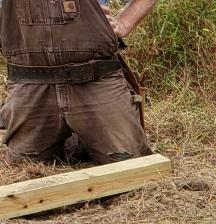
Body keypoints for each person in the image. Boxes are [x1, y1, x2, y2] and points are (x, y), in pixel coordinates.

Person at [1, 0, 156, 163]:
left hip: (96, 81)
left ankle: (86, 132)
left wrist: (124, 23)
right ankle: (75, 135)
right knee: (23, 163)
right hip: (31, 85)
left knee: (128, 163)